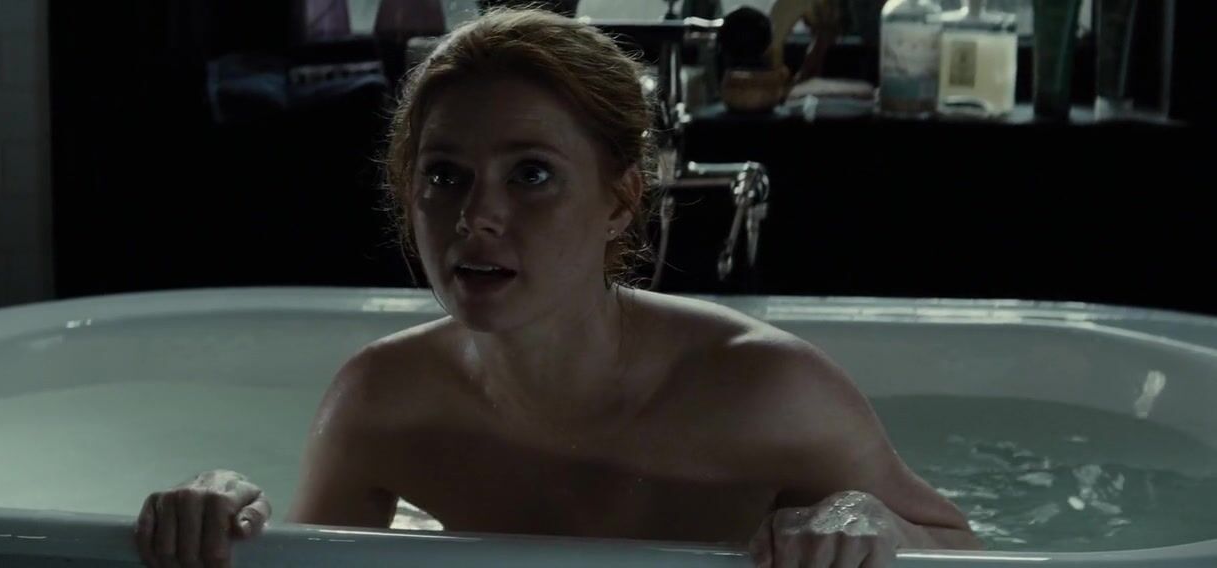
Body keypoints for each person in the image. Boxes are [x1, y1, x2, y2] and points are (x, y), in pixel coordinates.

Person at [134, 8, 983, 568]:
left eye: (532, 174)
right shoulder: (383, 400)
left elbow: (966, 546)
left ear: (620, 200)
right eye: (444, 176)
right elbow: (310, 563)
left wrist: (873, 524)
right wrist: (220, 519)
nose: (476, 217)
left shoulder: (767, 389)